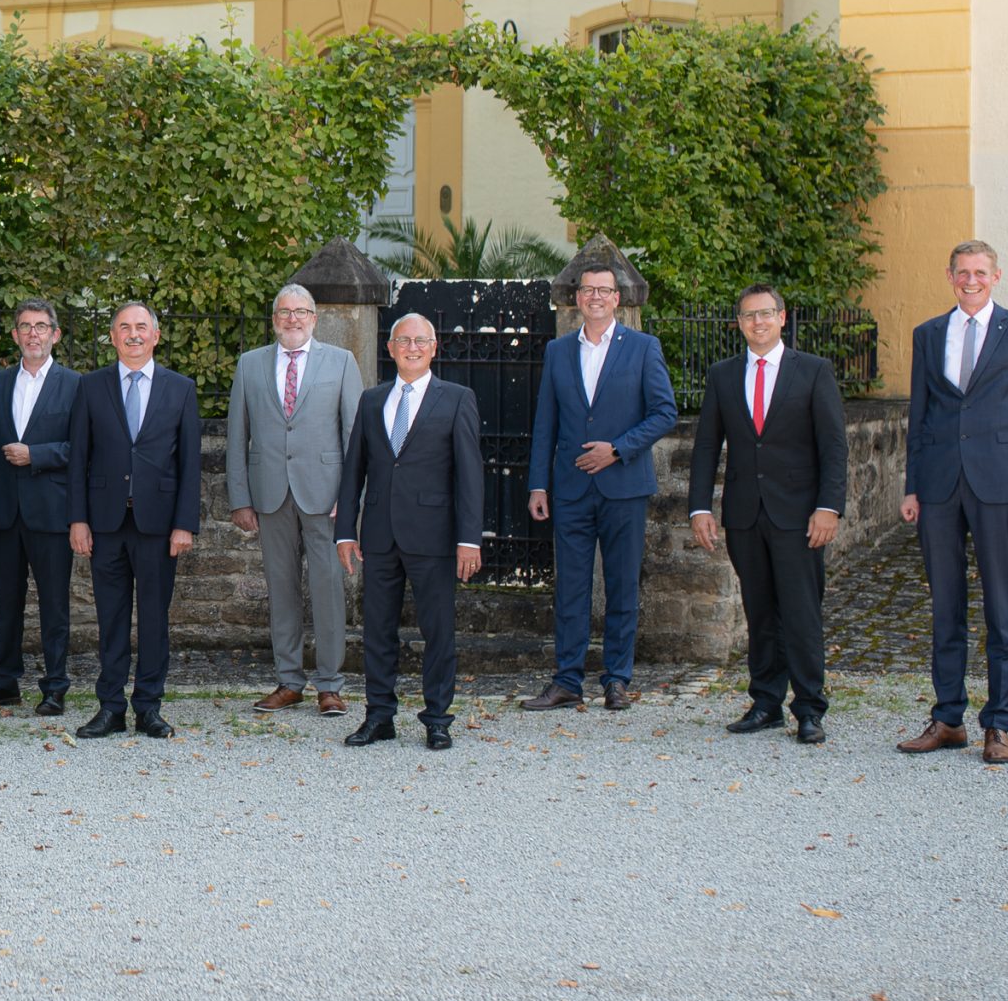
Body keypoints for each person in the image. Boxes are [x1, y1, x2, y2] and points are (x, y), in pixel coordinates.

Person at [898, 240, 1008, 765]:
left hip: (1000, 483)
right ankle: (948, 719)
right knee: (945, 605)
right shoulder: (928, 334)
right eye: (962, 272)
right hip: (938, 486)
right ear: (950, 276)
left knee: (1001, 607)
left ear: (996, 276)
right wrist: (912, 486)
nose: (971, 280)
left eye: (980, 272)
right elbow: (919, 416)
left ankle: (998, 724)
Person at [687, 285, 847, 746]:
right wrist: (700, 506)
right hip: (744, 514)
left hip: (799, 516)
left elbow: (833, 446)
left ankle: (809, 708)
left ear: (782, 317)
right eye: (748, 315)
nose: (757, 322)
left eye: (765, 314)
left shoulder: (813, 371)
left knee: (800, 613)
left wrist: (828, 507)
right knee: (759, 612)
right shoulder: (723, 375)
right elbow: (706, 445)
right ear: (739, 323)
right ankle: (766, 702)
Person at [521, 266, 677, 714]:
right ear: (576, 298)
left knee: (622, 586)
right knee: (570, 588)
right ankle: (567, 680)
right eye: (587, 289)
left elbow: (664, 412)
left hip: (624, 487)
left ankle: (617, 679)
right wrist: (538, 485)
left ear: (616, 298)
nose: (595, 297)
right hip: (571, 489)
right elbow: (546, 422)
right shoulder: (558, 351)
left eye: (603, 290)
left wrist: (618, 449)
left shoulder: (643, 347)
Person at [335, 314, 483, 751]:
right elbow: (354, 469)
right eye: (403, 340)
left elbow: (470, 475)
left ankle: (437, 718)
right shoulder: (371, 400)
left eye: (420, 341)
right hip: (379, 535)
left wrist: (469, 539)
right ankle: (379, 716)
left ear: (434, 347)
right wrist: (345, 531)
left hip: (434, 536)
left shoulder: (457, 399)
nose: (412, 348)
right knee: (377, 632)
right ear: (391, 348)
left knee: (438, 631)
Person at [225, 284, 363, 717]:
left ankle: (330, 685)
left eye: (301, 311)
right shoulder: (250, 364)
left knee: (328, 588)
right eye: (285, 312)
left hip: (325, 495)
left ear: (314, 318)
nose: (293, 319)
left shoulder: (341, 362)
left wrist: (350, 498)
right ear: (274, 319)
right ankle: (289, 681)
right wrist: (240, 498)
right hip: (270, 494)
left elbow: (355, 435)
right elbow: (236, 436)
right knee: (280, 589)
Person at [68, 302, 203, 740]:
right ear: (112, 337)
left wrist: (184, 524)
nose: (133, 334)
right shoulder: (90, 386)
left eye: (141, 327)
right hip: (105, 524)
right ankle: (110, 707)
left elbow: (190, 463)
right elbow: (78, 458)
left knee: (154, 620)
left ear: (156, 336)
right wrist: (78, 519)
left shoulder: (180, 389)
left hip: (158, 526)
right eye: (124, 327)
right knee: (110, 619)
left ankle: (148, 706)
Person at [0, 300, 79, 715]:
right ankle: (4, 683)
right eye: (26, 327)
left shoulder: (75, 384)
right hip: (4, 512)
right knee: (6, 603)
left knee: (54, 605)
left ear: (55, 335)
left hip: (52, 512)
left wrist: (37, 454)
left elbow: (83, 448)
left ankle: (55, 686)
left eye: (41, 326)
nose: (34, 333)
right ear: (15, 335)